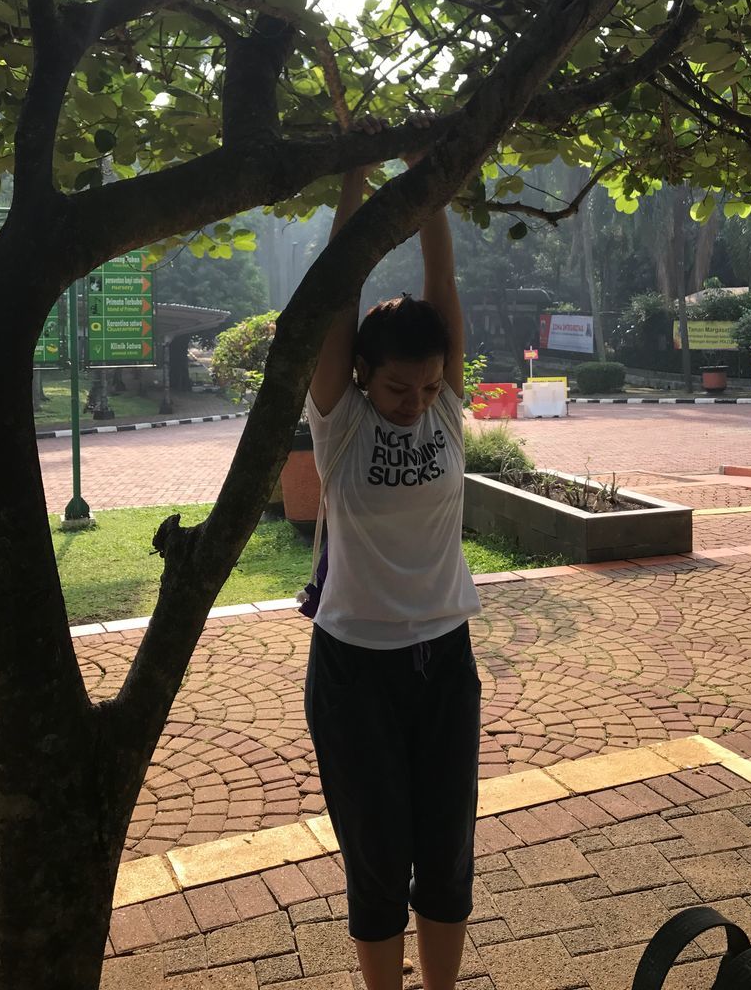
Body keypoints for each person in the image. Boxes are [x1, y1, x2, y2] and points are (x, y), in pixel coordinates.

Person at [304, 119, 481, 990]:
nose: (415, 402)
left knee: (445, 851)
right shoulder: (338, 425)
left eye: (427, 385)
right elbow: (340, 298)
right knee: (377, 857)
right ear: (365, 376)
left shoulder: (446, 408)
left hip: (446, 658)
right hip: (355, 670)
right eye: (397, 388)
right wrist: (355, 183)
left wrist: (428, 184)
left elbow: (441, 279)